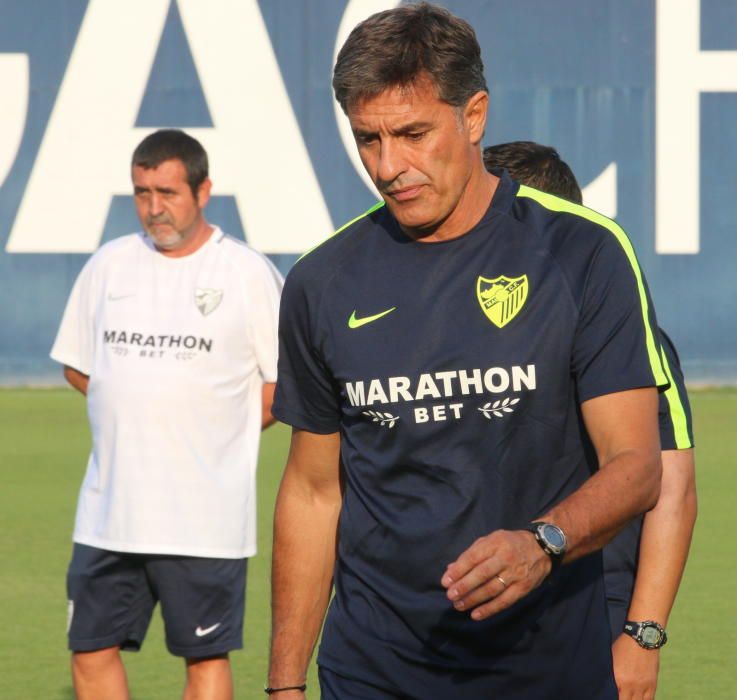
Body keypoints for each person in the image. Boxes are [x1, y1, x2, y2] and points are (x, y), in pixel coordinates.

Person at [268, 4, 667, 699]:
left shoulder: (582, 252)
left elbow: (635, 468)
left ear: (473, 115)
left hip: (545, 671)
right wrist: (283, 687)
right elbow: (311, 492)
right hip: (372, 671)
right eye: (368, 140)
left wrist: (543, 543)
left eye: (412, 134)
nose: (389, 166)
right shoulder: (321, 282)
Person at [51, 128, 283, 700]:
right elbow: (79, 367)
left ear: (203, 191)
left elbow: (284, 385)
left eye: (167, 192)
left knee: (204, 659)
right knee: (90, 651)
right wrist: (137, 410)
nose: (154, 207)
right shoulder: (108, 265)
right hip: (109, 512)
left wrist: (211, 430)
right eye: (141, 192)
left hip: (204, 518)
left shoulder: (246, 273)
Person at [483, 140, 697, 699]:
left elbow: (672, 485)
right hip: (475, 610)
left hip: (594, 610)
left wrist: (642, 636)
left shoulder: (625, 334)